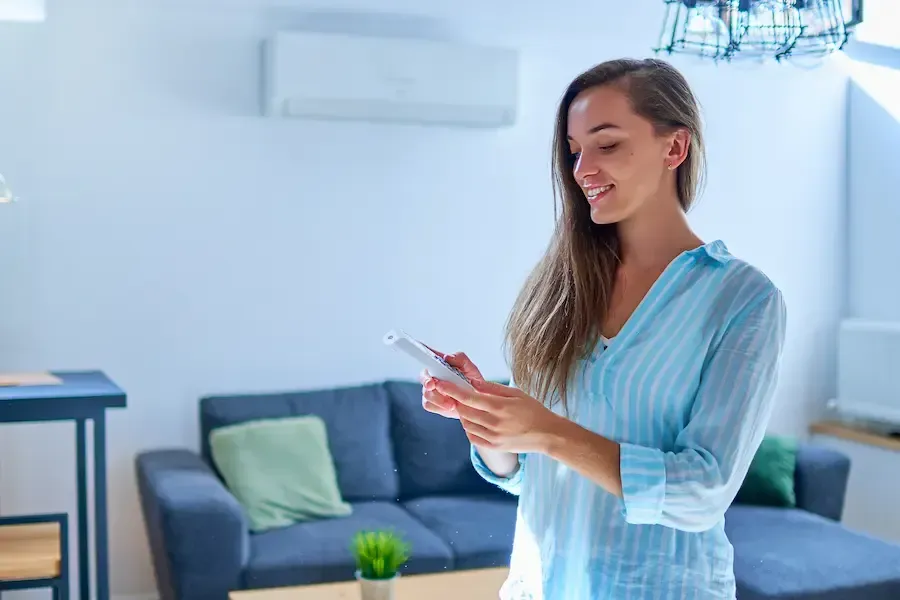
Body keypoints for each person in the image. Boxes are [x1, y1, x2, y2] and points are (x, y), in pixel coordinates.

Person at [419, 58, 787, 600]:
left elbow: (702, 491)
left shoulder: (743, 299)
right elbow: (537, 476)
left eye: (606, 144)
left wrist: (546, 429)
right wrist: (490, 422)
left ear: (674, 149)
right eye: (573, 151)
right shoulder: (560, 287)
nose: (581, 168)